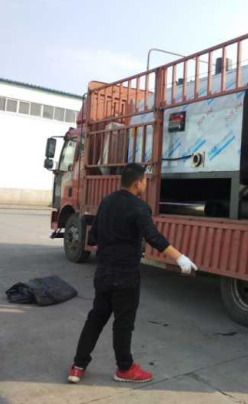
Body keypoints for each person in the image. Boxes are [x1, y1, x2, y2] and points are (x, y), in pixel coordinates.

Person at [68, 163, 197, 384]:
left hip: (103, 273)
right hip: (125, 276)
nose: (146, 183)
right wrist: (180, 257)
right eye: (145, 180)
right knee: (123, 324)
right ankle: (124, 369)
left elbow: (94, 236)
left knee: (96, 319)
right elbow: (153, 237)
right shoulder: (139, 207)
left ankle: (77, 366)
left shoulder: (106, 202)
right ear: (138, 183)